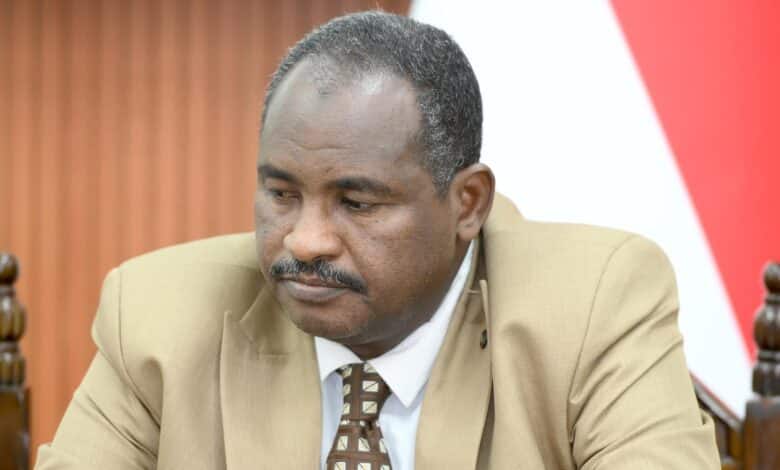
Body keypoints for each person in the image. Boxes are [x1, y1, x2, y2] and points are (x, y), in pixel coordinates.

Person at [36, 11, 720, 470]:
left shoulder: (595, 304)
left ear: (467, 204)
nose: (305, 241)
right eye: (282, 194)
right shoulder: (156, 314)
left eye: (357, 203)